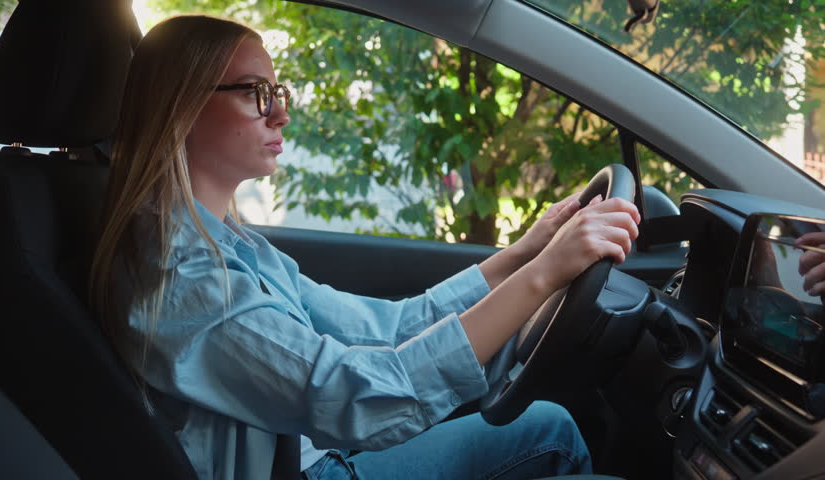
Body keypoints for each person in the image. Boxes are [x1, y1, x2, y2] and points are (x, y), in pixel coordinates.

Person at [89, 15, 641, 480]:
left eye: (277, 93)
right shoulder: (186, 279)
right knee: (555, 434)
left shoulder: (229, 244)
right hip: (311, 470)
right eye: (257, 94)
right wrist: (543, 277)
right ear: (180, 106)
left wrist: (524, 253)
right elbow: (355, 398)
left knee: (550, 425)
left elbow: (380, 328)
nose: (281, 114)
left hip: (311, 454)